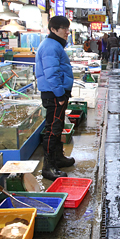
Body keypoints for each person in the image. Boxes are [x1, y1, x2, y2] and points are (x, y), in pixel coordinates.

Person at [35, 16, 75, 181]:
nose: (67, 32)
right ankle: (48, 167)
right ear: (53, 29)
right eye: (63, 28)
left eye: (67, 28)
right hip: (54, 95)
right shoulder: (51, 46)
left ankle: (58, 158)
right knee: (52, 130)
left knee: (56, 128)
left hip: (56, 94)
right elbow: (51, 73)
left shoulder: (54, 44)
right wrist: (59, 94)